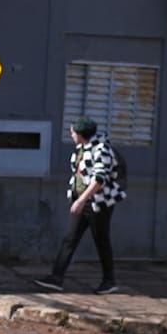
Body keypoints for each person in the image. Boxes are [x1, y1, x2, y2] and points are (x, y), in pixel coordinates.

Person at [34, 117, 126, 295]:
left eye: (73, 132)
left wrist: (82, 199)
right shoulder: (82, 149)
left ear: (81, 134)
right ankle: (56, 277)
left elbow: (99, 178)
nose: (71, 135)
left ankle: (109, 280)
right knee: (70, 239)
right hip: (82, 202)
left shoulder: (101, 150)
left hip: (98, 203)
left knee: (101, 240)